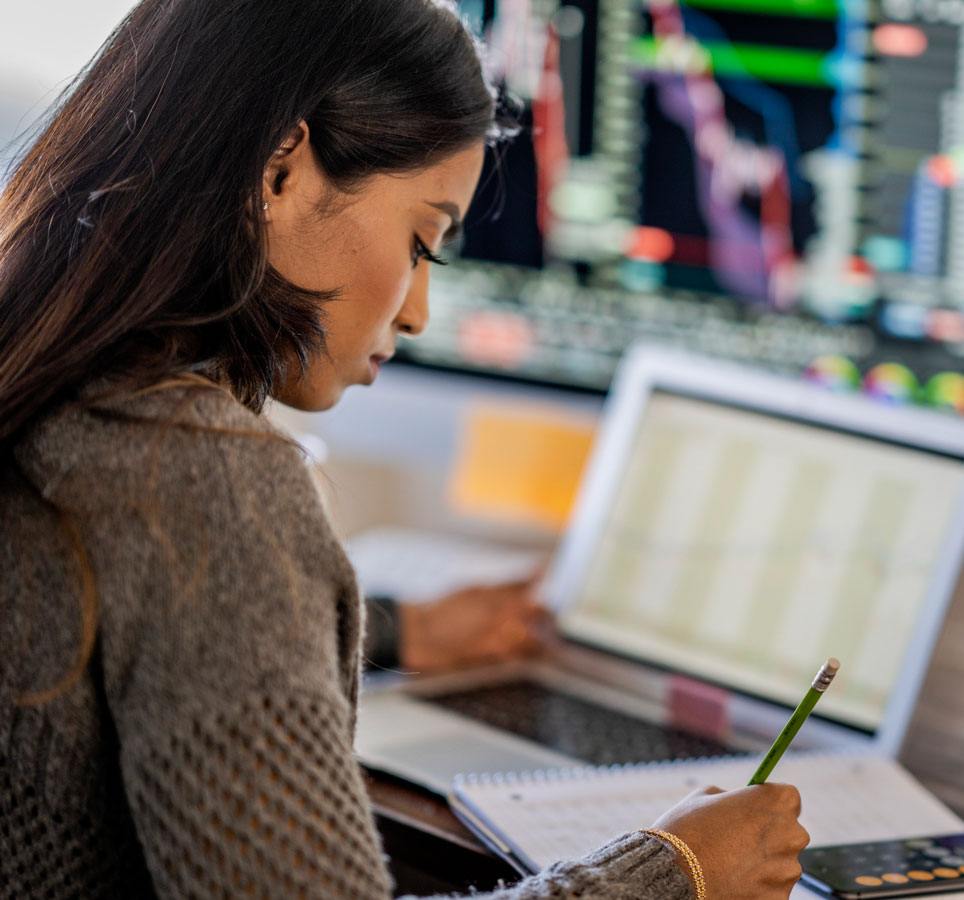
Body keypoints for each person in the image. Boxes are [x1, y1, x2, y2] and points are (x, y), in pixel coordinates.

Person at [0, 1, 809, 898]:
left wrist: (397, 627)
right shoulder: (208, 484)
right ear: (281, 172)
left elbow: (122, 611)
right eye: (423, 240)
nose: (418, 311)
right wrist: (678, 871)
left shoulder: (45, 379)